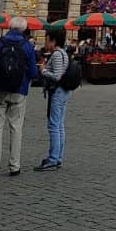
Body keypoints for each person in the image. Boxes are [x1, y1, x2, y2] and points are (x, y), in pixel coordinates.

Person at [0, 16, 39, 177]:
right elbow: (34, 73)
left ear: (9, 27)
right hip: (19, 91)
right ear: (24, 29)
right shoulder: (28, 46)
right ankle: (14, 166)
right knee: (16, 127)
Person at [36, 29, 70, 172]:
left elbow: (57, 76)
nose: (45, 43)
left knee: (54, 125)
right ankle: (58, 157)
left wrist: (43, 70)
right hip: (64, 91)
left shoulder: (56, 55)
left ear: (53, 41)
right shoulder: (64, 54)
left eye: (47, 39)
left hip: (57, 91)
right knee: (59, 124)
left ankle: (53, 158)